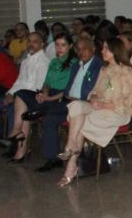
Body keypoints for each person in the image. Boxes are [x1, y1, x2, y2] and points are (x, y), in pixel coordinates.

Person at [56, 38, 132, 187]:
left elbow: (130, 103)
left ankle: (71, 165)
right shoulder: (104, 69)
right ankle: (71, 145)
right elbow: (94, 91)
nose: (102, 51)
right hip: (98, 107)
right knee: (75, 106)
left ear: (115, 51)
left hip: (117, 112)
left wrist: (107, 104)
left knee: (80, 121)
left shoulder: (127, 72)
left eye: (106, 49)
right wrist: (93, 98)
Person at [34, 38, 103, 172]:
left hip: (83, 105)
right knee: (49, 118)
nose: (80, 52)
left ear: (93, 49)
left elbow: (95, 91)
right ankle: (53, 159)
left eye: (84, 48)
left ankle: (38, 111)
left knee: (48, 112)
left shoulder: (98, 66)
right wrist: (60, 96)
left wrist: (74, 98)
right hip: (68, 101)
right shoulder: (76, 65)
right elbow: (67, 89)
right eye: (78, 49)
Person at [6, 33, 76, 162]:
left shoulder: (74, 63)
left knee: (32, 113)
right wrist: (43, 93)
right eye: (57, 45)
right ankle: (17, 132)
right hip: (49, 95)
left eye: (63, 45)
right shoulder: (54, 61)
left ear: (70, 46)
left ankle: (20, 145)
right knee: (21, 94)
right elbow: (46, 83)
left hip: (63, 98)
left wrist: (48, 98)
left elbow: (69, 89)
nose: (59, 48)